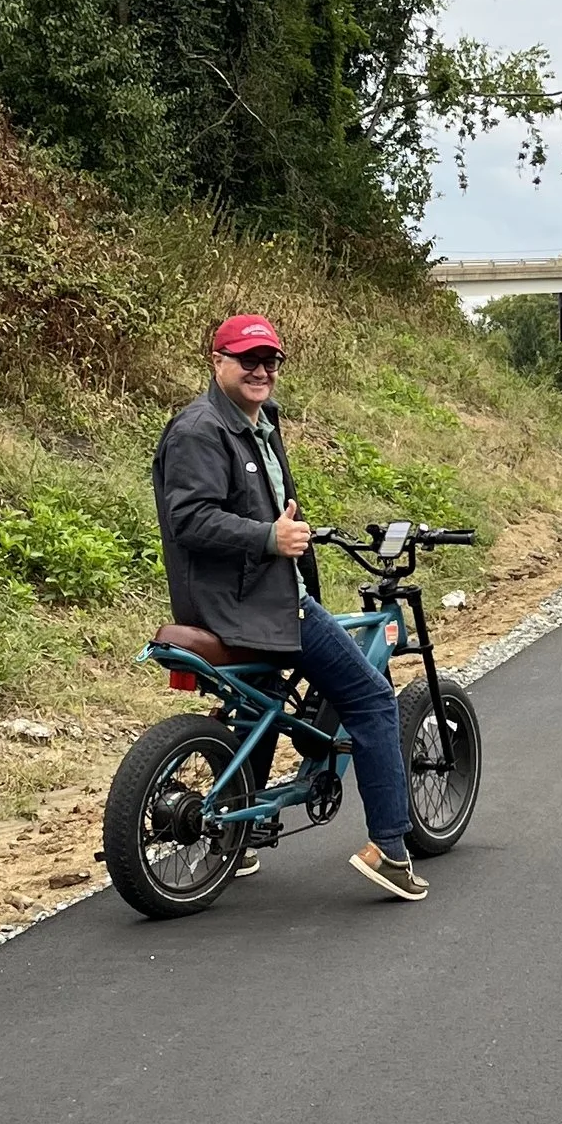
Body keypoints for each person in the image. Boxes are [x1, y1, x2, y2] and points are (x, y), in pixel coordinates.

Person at [151, 314, 427, 903]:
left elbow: (273, 507)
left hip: (258, 594)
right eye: (246, 359)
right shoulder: (200, 430)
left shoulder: (259, 421)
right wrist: (268, 539)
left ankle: (238, 838)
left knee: (265, 702)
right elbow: (189, 519)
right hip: (249, 604)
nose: (260, 370)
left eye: (270, 360)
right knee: (372, 699)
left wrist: (285, 545)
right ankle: (390, 849)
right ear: (217, 361)